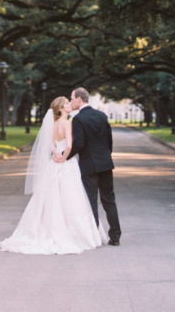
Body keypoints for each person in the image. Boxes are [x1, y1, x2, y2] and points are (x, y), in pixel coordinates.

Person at [0, 96, 106, 254]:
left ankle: (46, 229)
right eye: (67, 104)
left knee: (50, 197)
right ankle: (72, 234)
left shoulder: (53, 124)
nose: (70, 105)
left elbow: (48, 145)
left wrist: (55, 153)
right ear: (61, 109)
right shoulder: (67, 123)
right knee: (71, 196)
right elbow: (69, 145)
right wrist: (63, 156)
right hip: (66, 164)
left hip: (53, 164)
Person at [54, 87, 122, 246]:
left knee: (90, 201)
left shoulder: (78, 119)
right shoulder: (102, 115)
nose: (71, 101)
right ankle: (115, 236)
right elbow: (109, 141)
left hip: (89, 165)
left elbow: (78, 144)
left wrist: (63, 156)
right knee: (109, 199)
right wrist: (106, 157)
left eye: (72, 98)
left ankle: (94, 236)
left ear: (79, 99)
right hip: (105, 164)